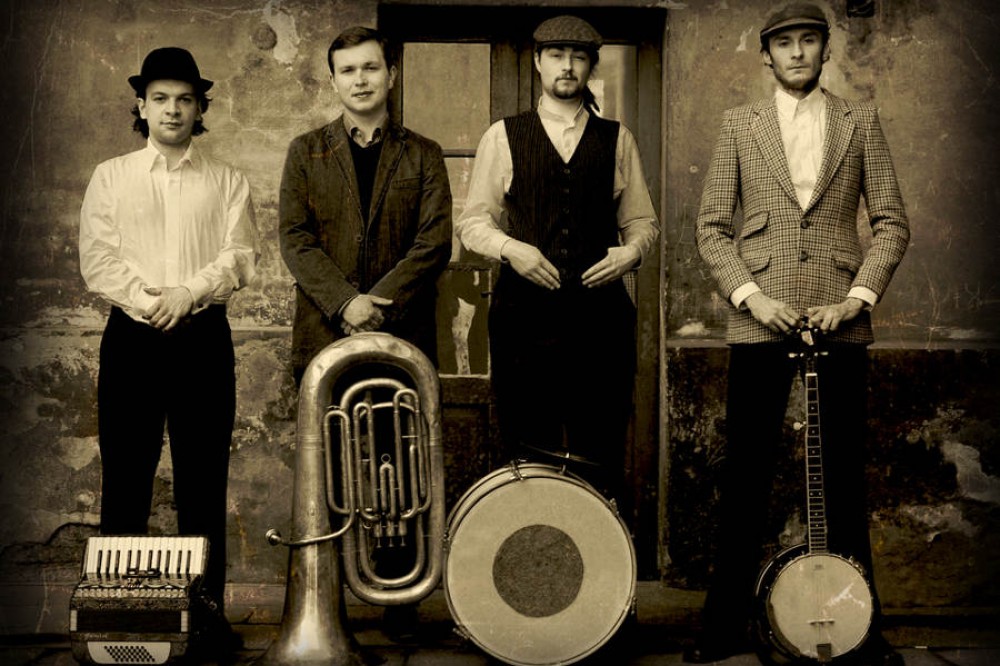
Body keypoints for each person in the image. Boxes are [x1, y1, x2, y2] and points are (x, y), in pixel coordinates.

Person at [689, 3, 910, 664]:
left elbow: (892, 222)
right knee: (745, 477)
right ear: (766, 55)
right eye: (783, 43)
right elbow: (711, 228)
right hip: (761, 318)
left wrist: (856, 298)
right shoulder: (740, 124)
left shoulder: (860, 120)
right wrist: (753, 297)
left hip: (840, 319)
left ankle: (861, 631)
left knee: (843, 479)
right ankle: (722, 626)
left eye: (808, 41)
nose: (796, 53)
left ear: (824, 50)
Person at [79, 47, 258, 655]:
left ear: (201, 108)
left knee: (202, 484)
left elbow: (239, 256)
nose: (173, 109)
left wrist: (187, 294)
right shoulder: (111, 175)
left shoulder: (229, 180)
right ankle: (117, 620)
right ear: (141, 106)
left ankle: (205, 622)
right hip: (131, 338)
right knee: (125, 480)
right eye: (160, 98)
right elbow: (98, 258)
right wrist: (149, 301)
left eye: (185, 99)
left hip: (203, 337)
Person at [278, 25, 452, 640]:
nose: (361, 80)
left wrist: (376, 306)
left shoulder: (424, 153)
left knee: (397, 464)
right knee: (328, 472)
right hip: (325, 334)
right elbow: (294, 239)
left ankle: (399, 603)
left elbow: (434, 242)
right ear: (333, 81)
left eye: (371, 68)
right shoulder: (305, 151)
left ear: (390, 75)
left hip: (400, 338)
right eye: (348, 70)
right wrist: (345, 303)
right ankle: (327, 610)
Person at [456, 15, 659, 501]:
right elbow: (472, 223)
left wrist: (630, 253)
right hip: (523, 320)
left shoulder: (617, 138)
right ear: (538, 62)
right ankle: (532, 547)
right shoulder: (503, 136)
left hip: (600, 322)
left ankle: (599, 548)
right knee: (528, 452)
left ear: (590, 66)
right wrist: (512, 249)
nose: (567, 66)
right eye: (557, 55)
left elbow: (642, 223)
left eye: (578, 57)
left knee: (599, 448)